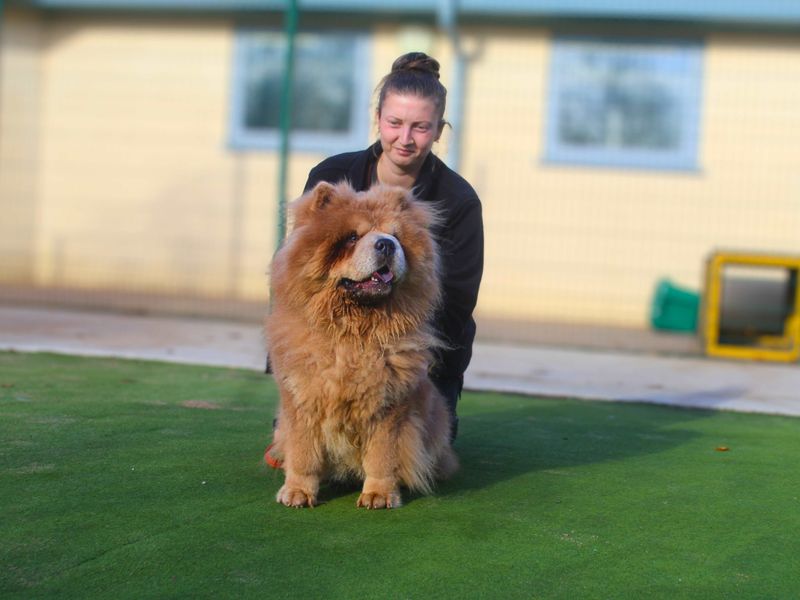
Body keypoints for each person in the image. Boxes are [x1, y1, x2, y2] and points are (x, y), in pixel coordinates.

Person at [300, 52, 484, 442]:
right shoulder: (332, 176)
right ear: (378, 118)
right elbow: (297, 268)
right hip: (327, 339)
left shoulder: (459, 200)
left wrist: (393, 351)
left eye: (420, 127)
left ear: (438, 131)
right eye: (395, 123)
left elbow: (456, 301)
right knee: (306, 444)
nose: (405, 138)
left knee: (426, 454)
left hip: (416, 345)